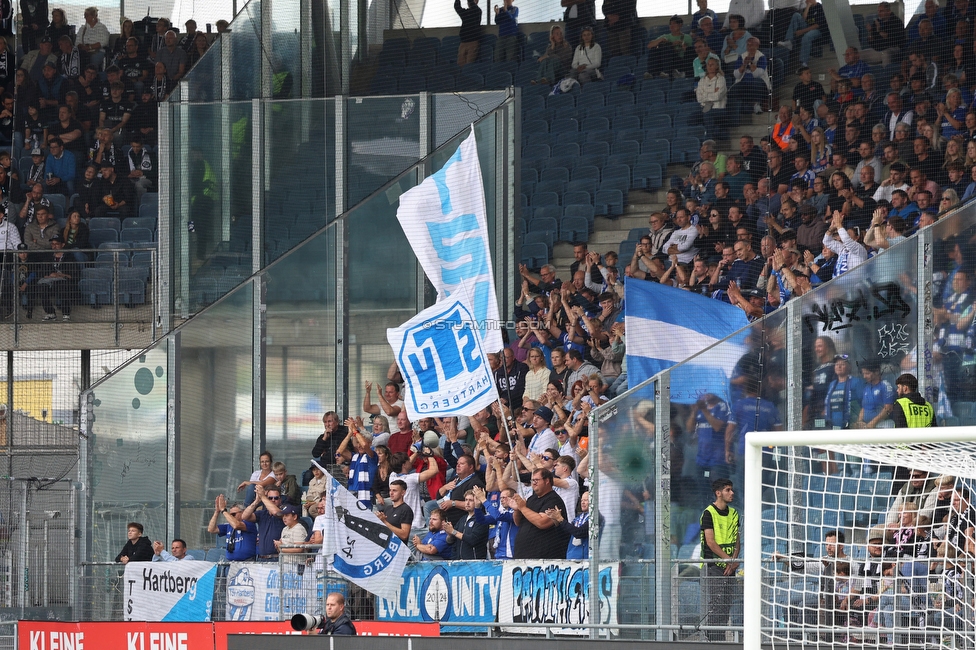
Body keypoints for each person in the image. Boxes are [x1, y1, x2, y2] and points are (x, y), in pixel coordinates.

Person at [700, 478, 740, 641]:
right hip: (713, 566)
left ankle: (720, 639)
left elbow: (737, 540)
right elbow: (710, 542)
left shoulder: (734, 513)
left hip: (729, 565)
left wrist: (734, 560)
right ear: (718, 493)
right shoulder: (708, 513)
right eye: (728, 490)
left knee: (726, 605)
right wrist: (728, 561)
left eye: (732, 490)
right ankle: (713, 640)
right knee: (716, 605)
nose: (732, 493)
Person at [512, 468, 570, 559]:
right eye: (532, 480)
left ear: (547, 481)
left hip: (544, 559)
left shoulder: (554, 500)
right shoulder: (531, 499)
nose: (533, 483)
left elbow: (542, 523)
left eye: (536, 480)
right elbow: (518, 522)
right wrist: (517, 509)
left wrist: (522, 507)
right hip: (522, 556)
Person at [776, 0, 827, 68]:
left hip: (818, 30)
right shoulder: (807, 8)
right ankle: (789, 41)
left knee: (807, 37)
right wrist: (808, 6)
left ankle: (804, 63)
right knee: (796, 15)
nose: (806, 1)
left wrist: (802, 31)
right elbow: (803, 18)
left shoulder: (820, 7)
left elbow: (817, 25)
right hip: (807, 27)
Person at [208, 494, 257, 561]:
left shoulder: (249, 523)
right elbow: (211, 529)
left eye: (233, 514)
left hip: (247, 562)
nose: (231, 516)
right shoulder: (229, 526)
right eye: (230, 514)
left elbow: (236, 525)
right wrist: (217, 512)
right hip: (231, 563)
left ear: (242, 512)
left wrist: (224, 511)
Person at [241, 485, 285, 561]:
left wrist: (263, 497)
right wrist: (257, 501)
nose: (273, 500)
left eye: (276, 498)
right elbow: (244, 516)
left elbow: (275, 512)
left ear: (280, 500)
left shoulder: (284, 512)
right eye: (270, 498)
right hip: (261, 558)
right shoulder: (261, 513)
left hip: (277, 557)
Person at [444, 490, 489, 559]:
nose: (467, 503)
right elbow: (450, 542)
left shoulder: (482, 519)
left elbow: (473, 540)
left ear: (478, 501)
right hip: (460, 562)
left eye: (471, 500)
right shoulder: (462, 519)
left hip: (476, 562)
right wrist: (450, 534)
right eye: (466, 500)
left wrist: (453, 531)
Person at [454, 0, 483, 67]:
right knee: (460, 65)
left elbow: (472, 4)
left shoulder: (477, 11)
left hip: (473, 42)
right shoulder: (465, 12)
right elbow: (457, 7)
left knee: (469, 65)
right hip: (463, 42)